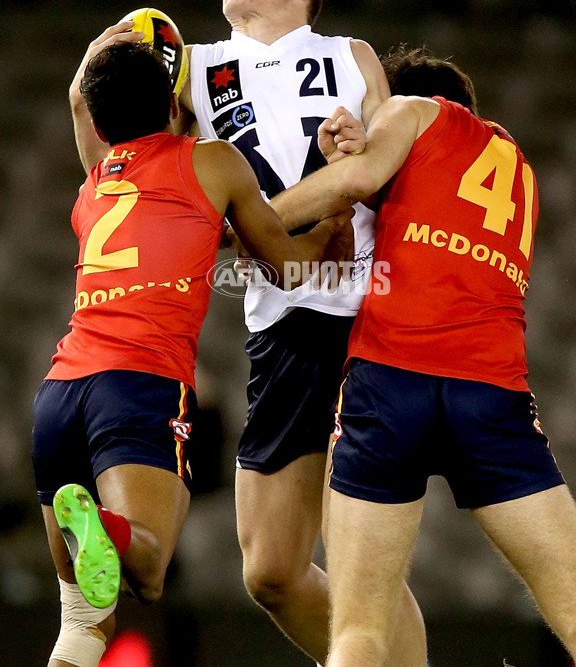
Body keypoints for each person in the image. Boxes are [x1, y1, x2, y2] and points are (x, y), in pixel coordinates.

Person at [67, 0, 426, 666]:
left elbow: (403, 182)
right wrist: (88, 78)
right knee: (269, 572)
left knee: (362, 558)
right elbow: (127, 174)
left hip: (364, 314)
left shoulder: (349, 56)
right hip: (279, 321)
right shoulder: (193, 69)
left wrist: (361, 152)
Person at [269, 46, 576, 666]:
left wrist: (238, 225)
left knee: (360, 632)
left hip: (392, 384)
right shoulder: (521, 170)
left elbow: (357, 180)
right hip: (492, 396)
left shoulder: (413, 110)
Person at [33, 40, 353, 667]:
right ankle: (106, 526)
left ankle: (91, 529)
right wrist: (331, 225)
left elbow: (79, 93)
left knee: (80, 619)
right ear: (175, 102)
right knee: (147, 569)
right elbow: (285, 269)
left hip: (59, 393)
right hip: (139, 385)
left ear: (99, 124)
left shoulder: (95, 180)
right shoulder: (212, 163)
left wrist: (114, 37)